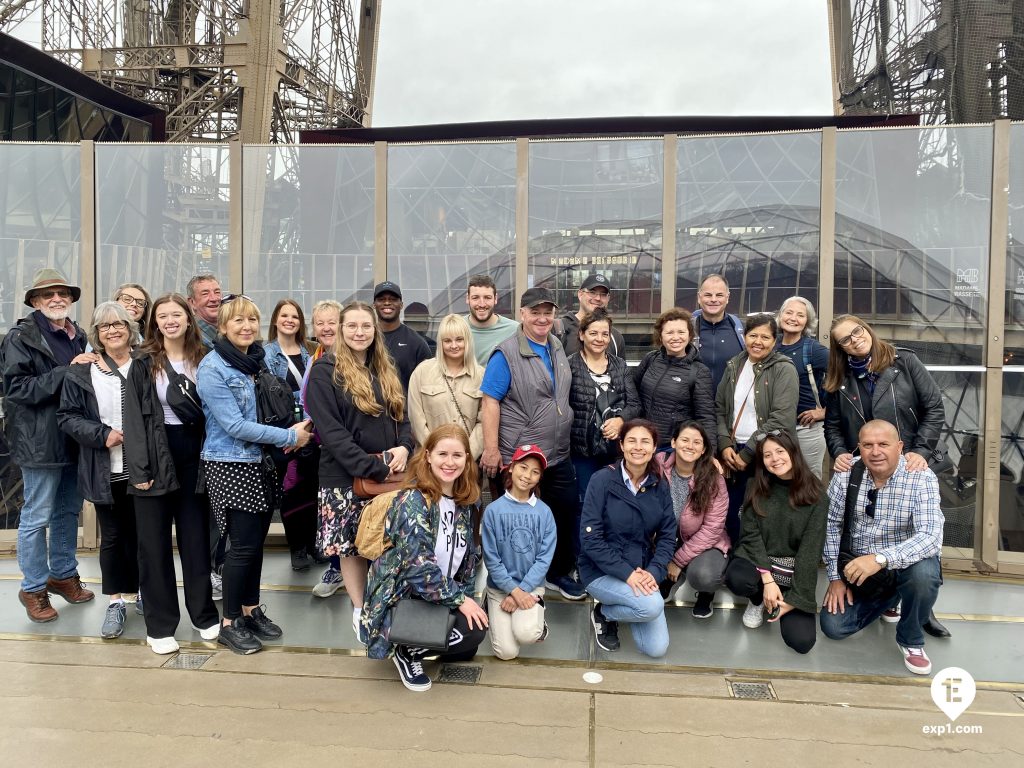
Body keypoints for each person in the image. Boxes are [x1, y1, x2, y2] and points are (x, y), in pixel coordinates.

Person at [196, 295, 312, 654]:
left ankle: (249, 610)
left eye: (251, 320)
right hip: (230, 465)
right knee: (241, 548)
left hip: (260, 463)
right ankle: (230, 622)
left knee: (255, 546)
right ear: (223, 326)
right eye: (238, 321)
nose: (246, 327)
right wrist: (290, 436)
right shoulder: (213, 368)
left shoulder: (254, 362)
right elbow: (234, 425)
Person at [824, 313, 951, 638]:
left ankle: (919, 605)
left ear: (867, 328)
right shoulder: (839, 379)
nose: (855, 339)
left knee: (913, 530)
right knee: (866, 526)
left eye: (857, 331)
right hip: (864, 464)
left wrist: (919, 452)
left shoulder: (904, 362)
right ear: (840, 348)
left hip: (907, 462)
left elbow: (934, 408)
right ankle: (890, 593)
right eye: (846, 339)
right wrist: (839, 452)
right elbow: (834, 424)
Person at [305, 301, 414, 633]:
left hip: (387, 473)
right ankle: (359, 610)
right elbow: (332, 434)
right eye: (351, 326)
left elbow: (403, 417)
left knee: (384, 542)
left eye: (366, 326)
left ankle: (386, 603)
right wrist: (375, 467)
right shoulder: (325, 372)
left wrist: (405, 448)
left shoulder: (385, 369)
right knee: (351, 546)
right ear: (340, 329)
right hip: (345, 476)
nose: (359, 332)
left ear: (374, 330)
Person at [123, 294, 220, 653]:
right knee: (153, 544)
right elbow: (132, 419)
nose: (169, 320)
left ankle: (204, 615)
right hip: (154, 452)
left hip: (195, 452)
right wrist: (139, 469)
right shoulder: (143, 362)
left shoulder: (206, 358)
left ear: (188, 318)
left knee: (196, 540)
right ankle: (160, 625)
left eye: (175, 314)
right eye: (162, 315)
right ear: (155, 322)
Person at [363, 424, 489, 692]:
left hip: (439, 594)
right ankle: (406, 651)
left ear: (467, 459)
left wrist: (466, 602)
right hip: (406, 597)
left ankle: (423, 642)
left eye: (457, 455)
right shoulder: (413, 501)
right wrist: (460, 601)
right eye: (442, 454)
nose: (450, 462)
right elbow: (417, 570)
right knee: (470, 631)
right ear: (428, 455)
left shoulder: (467, 503)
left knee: (470, 638)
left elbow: (466, 565)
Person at [3, 268, 96, 623]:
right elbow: (18, 390)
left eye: (62, 294)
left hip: (74, 439)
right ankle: (33, 588)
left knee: (67, 512)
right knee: (37, 515)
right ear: (35, 303)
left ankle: (63, 574)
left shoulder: (79, 335)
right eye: (47, 295)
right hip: (40, 442)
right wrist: (67, 370)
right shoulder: (21, 337)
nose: (56, 299)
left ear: (71, 300)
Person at [480, 286, 584, 600]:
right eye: (534, 312)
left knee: (564, 511)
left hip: (558, 453)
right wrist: (492, 449)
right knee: (517, 524)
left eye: (547, 312)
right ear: (522, 314)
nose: (542, 318)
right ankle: (512, 585)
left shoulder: (555, 345)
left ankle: (557, 573)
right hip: (521, 457)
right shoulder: (506, 353)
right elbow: (490, 403)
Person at [820, 421, 944, 675]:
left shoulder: (920, 477)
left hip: (903, 564)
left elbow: (931, 535)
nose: (875, 452)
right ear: (859, 448)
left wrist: (880, 558)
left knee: (924, 575)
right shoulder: (846, 475)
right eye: (868, 445)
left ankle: (910, 639)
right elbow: (830, 526)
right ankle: (891, 596)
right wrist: (835, 578)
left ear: (899, 447)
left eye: (883, 444)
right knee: (834, 627)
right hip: (862, 570)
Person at [57, 302, 143, 639]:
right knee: (113, 537)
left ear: (129, 327)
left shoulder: (147, 364)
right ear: (96, 333)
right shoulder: (82, 371)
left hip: (142, 467)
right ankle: (116, 601)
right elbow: (67, 416)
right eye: (104, 326)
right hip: (104, 467)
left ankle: (143, 594)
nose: (112, 330)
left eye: (118, 324)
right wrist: (102, 434)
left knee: (145, 536)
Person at [722, 429, 826, 654]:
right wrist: (768, 581)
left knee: (802, 642)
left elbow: (810, 552)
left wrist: (795, 600)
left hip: (792, 570)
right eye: (767, 455)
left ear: (793, 451)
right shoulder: (756, 487)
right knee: (737, 577)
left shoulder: (816, 495)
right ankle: (758, 600)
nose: (774, 459)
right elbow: (750, 535)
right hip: (760, 563)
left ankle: (781, 599)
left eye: (780, 451)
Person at [580, 419, 676, 657]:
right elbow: (591, 539)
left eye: (645, 441)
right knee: (652, 604)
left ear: (655, 448)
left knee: (655, 649)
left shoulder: (659, 484)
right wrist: (628, 574)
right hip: (601, 572)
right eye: (631, 440)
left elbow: (667, 535)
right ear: (621, 445)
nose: (638, 447)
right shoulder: (601, 480)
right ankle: (607, 611)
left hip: (642, 570)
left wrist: (653, 571)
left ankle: (611, 611)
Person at [715, 313, 798, 546]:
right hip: (733, 453)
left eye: (765, 337)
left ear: (774, 341)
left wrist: (748, 452)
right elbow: (720, 408)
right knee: (733, 512)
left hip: (766, 453)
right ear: (744, 337)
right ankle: (736, 561)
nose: (758, 342)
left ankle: (764, 568)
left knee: (765, 513)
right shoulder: (734, 365)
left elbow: (781, 419)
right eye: (753, 335)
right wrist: (724, 444)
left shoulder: (784, 369)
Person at [482, 444, 557, 660]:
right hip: (500, 590)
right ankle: (492, 606)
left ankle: (536, 620)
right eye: (523, 468)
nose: (527, 476)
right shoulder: (493, 511)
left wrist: (521, 591)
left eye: (535, 472)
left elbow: (544, 560)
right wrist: (513, 592)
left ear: (540, 478)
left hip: (531, 587)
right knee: (506, 653)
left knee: (527, 634)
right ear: (511, 468)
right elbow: (492, 560)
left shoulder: (544, 512)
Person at [264, 299, 318, 571]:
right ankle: (296, 547)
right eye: (284, 315)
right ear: (275, 320)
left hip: (312, 428)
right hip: (284, 431)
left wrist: (309, 419)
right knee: (291, 491)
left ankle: (312, 544)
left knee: (313, 489)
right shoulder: (265, 353)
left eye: (294, 316)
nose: (289, 320)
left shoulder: (312, 351)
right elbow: (268, 395)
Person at [653, 421, 729, 618]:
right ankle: (672, 577)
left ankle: (706, 593)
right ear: (673, 442)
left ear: (704, 449)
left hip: (704, 543)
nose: (690, 446)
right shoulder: (658, 465)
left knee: (704, 576)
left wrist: (677, 561)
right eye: (685, 440)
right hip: (666, 540)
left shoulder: (714, 479)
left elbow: (712, 529)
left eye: (697, 442)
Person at [568, 308, 640, 504]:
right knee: (586, 502)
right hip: (582, 452)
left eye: (604, 334)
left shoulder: (620, 366)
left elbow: (634, 404)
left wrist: (620, 420)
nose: (599, 339)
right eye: (593, 333)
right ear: (582, 335)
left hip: (614, 450)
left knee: (615, 501)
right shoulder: (569, 366)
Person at [634, 307, 715, 452]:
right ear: (661, 336)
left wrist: (710, 454)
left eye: (681, 332)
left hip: (672, 447)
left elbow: (706, 417)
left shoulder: (698, 371)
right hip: (643, 442)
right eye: (670, 332)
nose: (676, 337)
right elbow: (633, 393)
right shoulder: (650, 359)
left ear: (690, 335)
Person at [408, 313, 484, 459]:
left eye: (459, 340)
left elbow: (483, 422)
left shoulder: (481, 376)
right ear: (440, 342)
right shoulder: (422, 372)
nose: (454, 345)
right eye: (447, 341)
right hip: (428, 462)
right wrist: (438, 455)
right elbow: (416, 420)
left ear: (468, 341)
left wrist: (464, 456)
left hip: (468, 464)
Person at [775, 296, 829, 479]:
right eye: (788, 312)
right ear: (780, 315)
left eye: (800, 315)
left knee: (808, 480)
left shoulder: (813, 349)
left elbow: (845, 377)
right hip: (776, 429)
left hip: (807, 429)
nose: (793, 318)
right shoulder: (770, 346)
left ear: (807, 322)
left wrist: (825, 412)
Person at [372, 281, 430, 391]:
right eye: (381, 299)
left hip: (404, 407)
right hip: (368, 407)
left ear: (401, 305)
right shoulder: (364, 339)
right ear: (374, 305)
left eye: (393, 299)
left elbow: (426, 385)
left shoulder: (417, 343)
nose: (387, 303)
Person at [691, 274, 745, 393]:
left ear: (727, 297)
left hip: (730, 407)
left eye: (719, 295)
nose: (713, 299)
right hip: (694, 407)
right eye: (708, 295)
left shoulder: (743, 330)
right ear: (699, 297)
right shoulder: (686, 330)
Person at [557, 273, 626, 358]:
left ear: (608, 299)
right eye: (592, 292)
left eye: (603, 294)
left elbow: (620, 370)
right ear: (580, 294)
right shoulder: (560, 330)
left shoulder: (616, 337)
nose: (598, 298)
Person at [464, 274, 518, 366]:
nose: (481, 304)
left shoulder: (514, 330)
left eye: (487, 298)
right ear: (467, 298)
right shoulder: (457, 327)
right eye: (475, 298)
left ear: (495, 299)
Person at [186, 273, 223, 347]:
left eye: (217, 292)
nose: (214, 298)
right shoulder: (189, 338)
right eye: (205, 294)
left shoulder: (232, 330)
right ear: (192, 302)